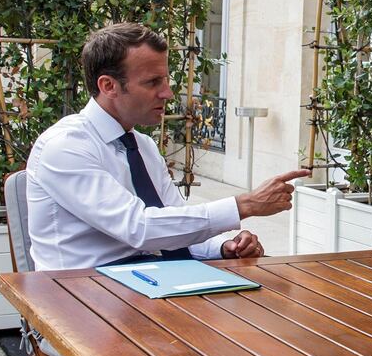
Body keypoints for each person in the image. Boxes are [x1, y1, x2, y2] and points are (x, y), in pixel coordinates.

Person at [27, 22, 310, 270]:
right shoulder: (64, 147)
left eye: (165, 80)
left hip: (147, 281)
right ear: (109, 86)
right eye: (153, 82)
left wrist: (224, 246)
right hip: (77, 297)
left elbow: (171, 223)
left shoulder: (143, 146)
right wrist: (245, 204)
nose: (168, 92)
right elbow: (139, 228)